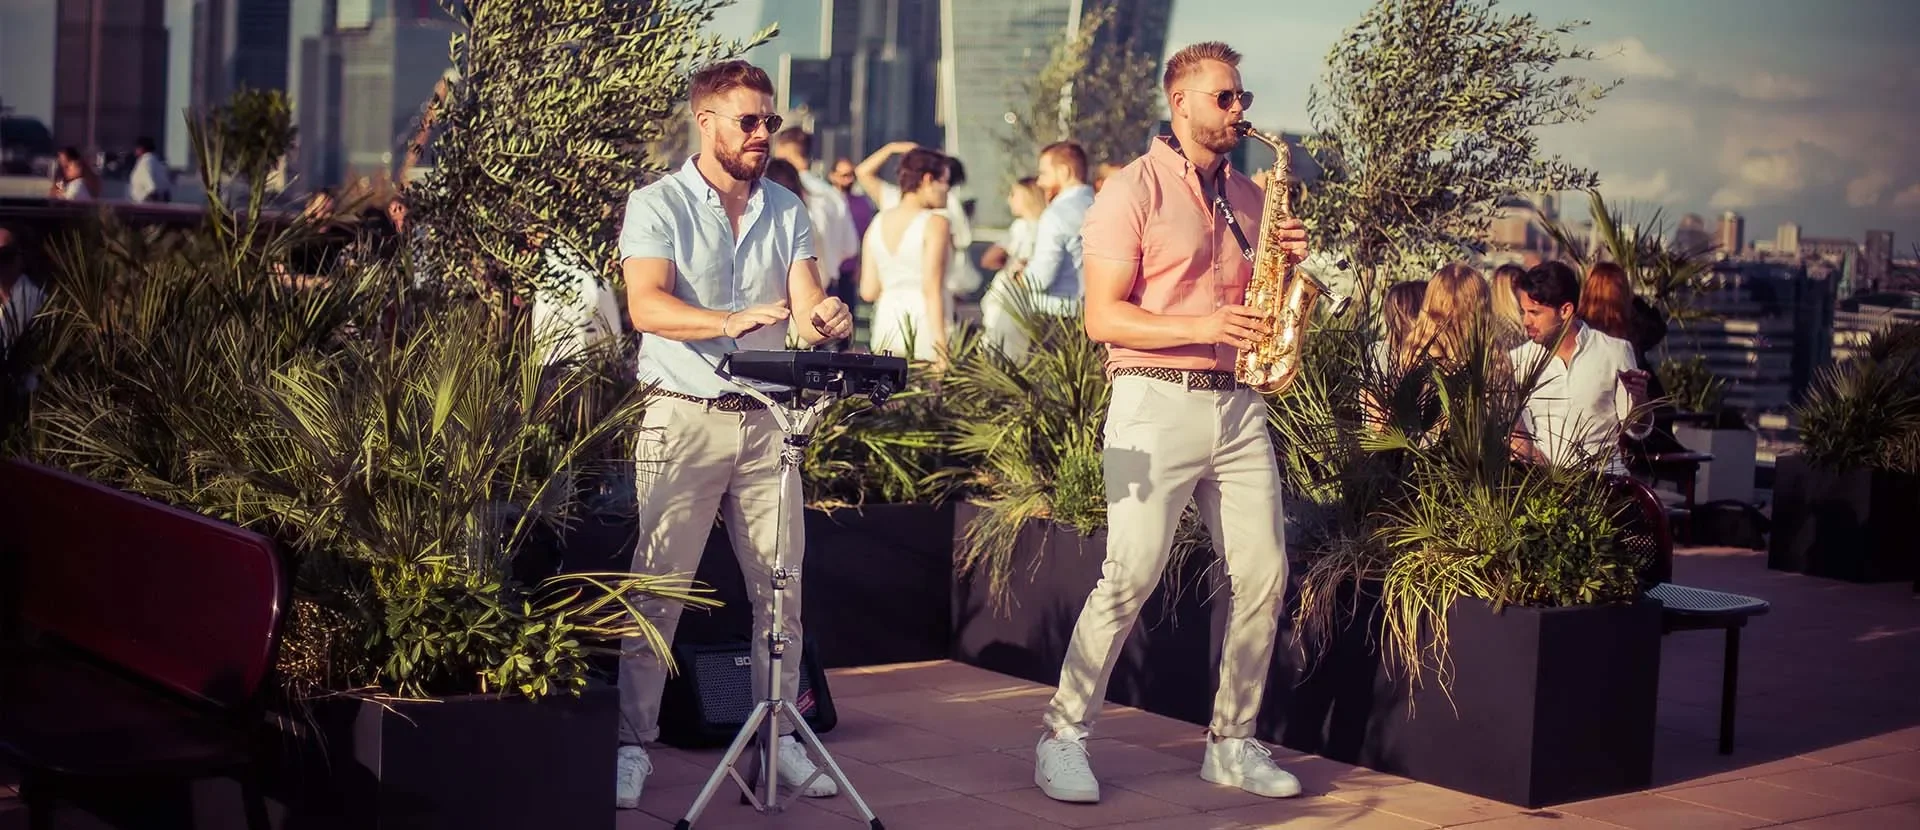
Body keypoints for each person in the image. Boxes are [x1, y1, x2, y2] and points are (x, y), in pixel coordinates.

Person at [1034, 40, 1307, 805]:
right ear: (1179, 102)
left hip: (1240, 408)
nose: (1239, 111)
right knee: (1129, 572)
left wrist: (1289, 263)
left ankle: (1232, 743)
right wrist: (1206, 323)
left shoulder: (1253, 197)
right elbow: (1100, 318)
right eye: (1225, 98)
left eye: (1242, 98)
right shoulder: (1129, 191)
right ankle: (1061, 735)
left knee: (1264, 574)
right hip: (1145, 409)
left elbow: (1266, 303)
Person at [611, 58, 854, 810]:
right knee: (659, 590)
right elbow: (646, 307)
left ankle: (779, 741)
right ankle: (631, 744)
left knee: (781, 590)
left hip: (768, 423)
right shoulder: (656, 203)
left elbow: (805, 302)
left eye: (769, 121)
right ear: (706, 121)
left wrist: (827, 319)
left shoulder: (786, 206)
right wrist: (724, 323)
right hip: (682, 414)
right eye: (747, 120)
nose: (761, 133)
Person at [1509, 261, 1651, 475]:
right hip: (1542, 486)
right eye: (1524, 312)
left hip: (1604, 483)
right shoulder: (1518, 360)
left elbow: (1637, 430)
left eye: (1535, 313)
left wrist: (1640, 399)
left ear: (1565, 310)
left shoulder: (1613, 351)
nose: (1526, 321)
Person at [859, 148, 953, 363]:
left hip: (886, 326)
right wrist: (942, 348)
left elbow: (868, 291)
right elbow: (932, 288)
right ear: (928, 180)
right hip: (924, 328)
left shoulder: (877, 223)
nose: (947, 190)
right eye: (945, 181)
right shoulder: (936, 223)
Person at [772, 128, 859, 290]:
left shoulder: (779, 190)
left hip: (792, 288)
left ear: (785, 151)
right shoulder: (833, 195)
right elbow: (850, 247)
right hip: (829, 286)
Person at [978, 177, 1046, 356]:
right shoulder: (1047, 225)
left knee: (999, 347)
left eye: (1014, 194)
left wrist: (1007, 262)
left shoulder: (1020, 227)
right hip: (1032, 300)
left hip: (1010, 295)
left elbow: (988, 259)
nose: (1009, 200)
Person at [128, 137, 173, 203]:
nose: (135, 150)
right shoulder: (157, 162)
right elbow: (166, 190)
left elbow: (151, 186)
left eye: (137, 148)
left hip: (145, 205)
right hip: (159, 203)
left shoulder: (145, 162)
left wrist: (151, 201)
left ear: (141, 148)